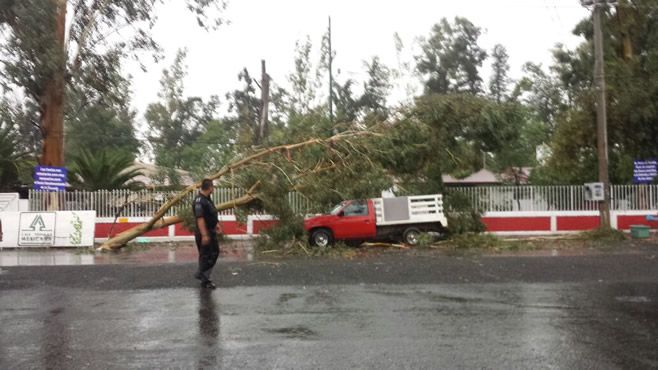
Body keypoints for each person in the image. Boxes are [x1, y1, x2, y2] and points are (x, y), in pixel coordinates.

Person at [193, 179, 220, 289]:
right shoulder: (199, 201)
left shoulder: (207, 199)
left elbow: (211, 213)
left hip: (210, 230)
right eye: (213, 187)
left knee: (212, 254)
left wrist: (216, 224)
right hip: (204, 232)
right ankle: (202, 275)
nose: (213, 189)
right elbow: (200, 219)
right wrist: (204, 235)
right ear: (209, 187)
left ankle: (204, 276)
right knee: (206, 256)